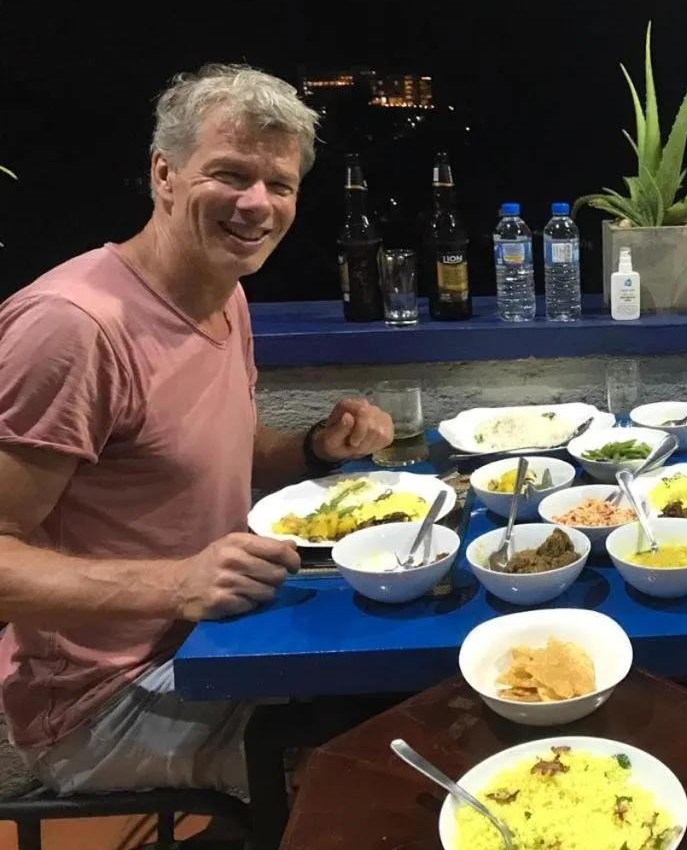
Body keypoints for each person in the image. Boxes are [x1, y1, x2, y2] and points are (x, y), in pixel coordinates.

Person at [0, 64, 395, 796]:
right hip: (108, 703)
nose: (256, 204)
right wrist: (177, 582)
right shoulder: (73, 327)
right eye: (230, 175)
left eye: (278, 186)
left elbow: (217, 455)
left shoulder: (224, 294)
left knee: (419, 693)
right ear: (164, 174)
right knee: (379, 776)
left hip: (226, 636)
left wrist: (314, 449)